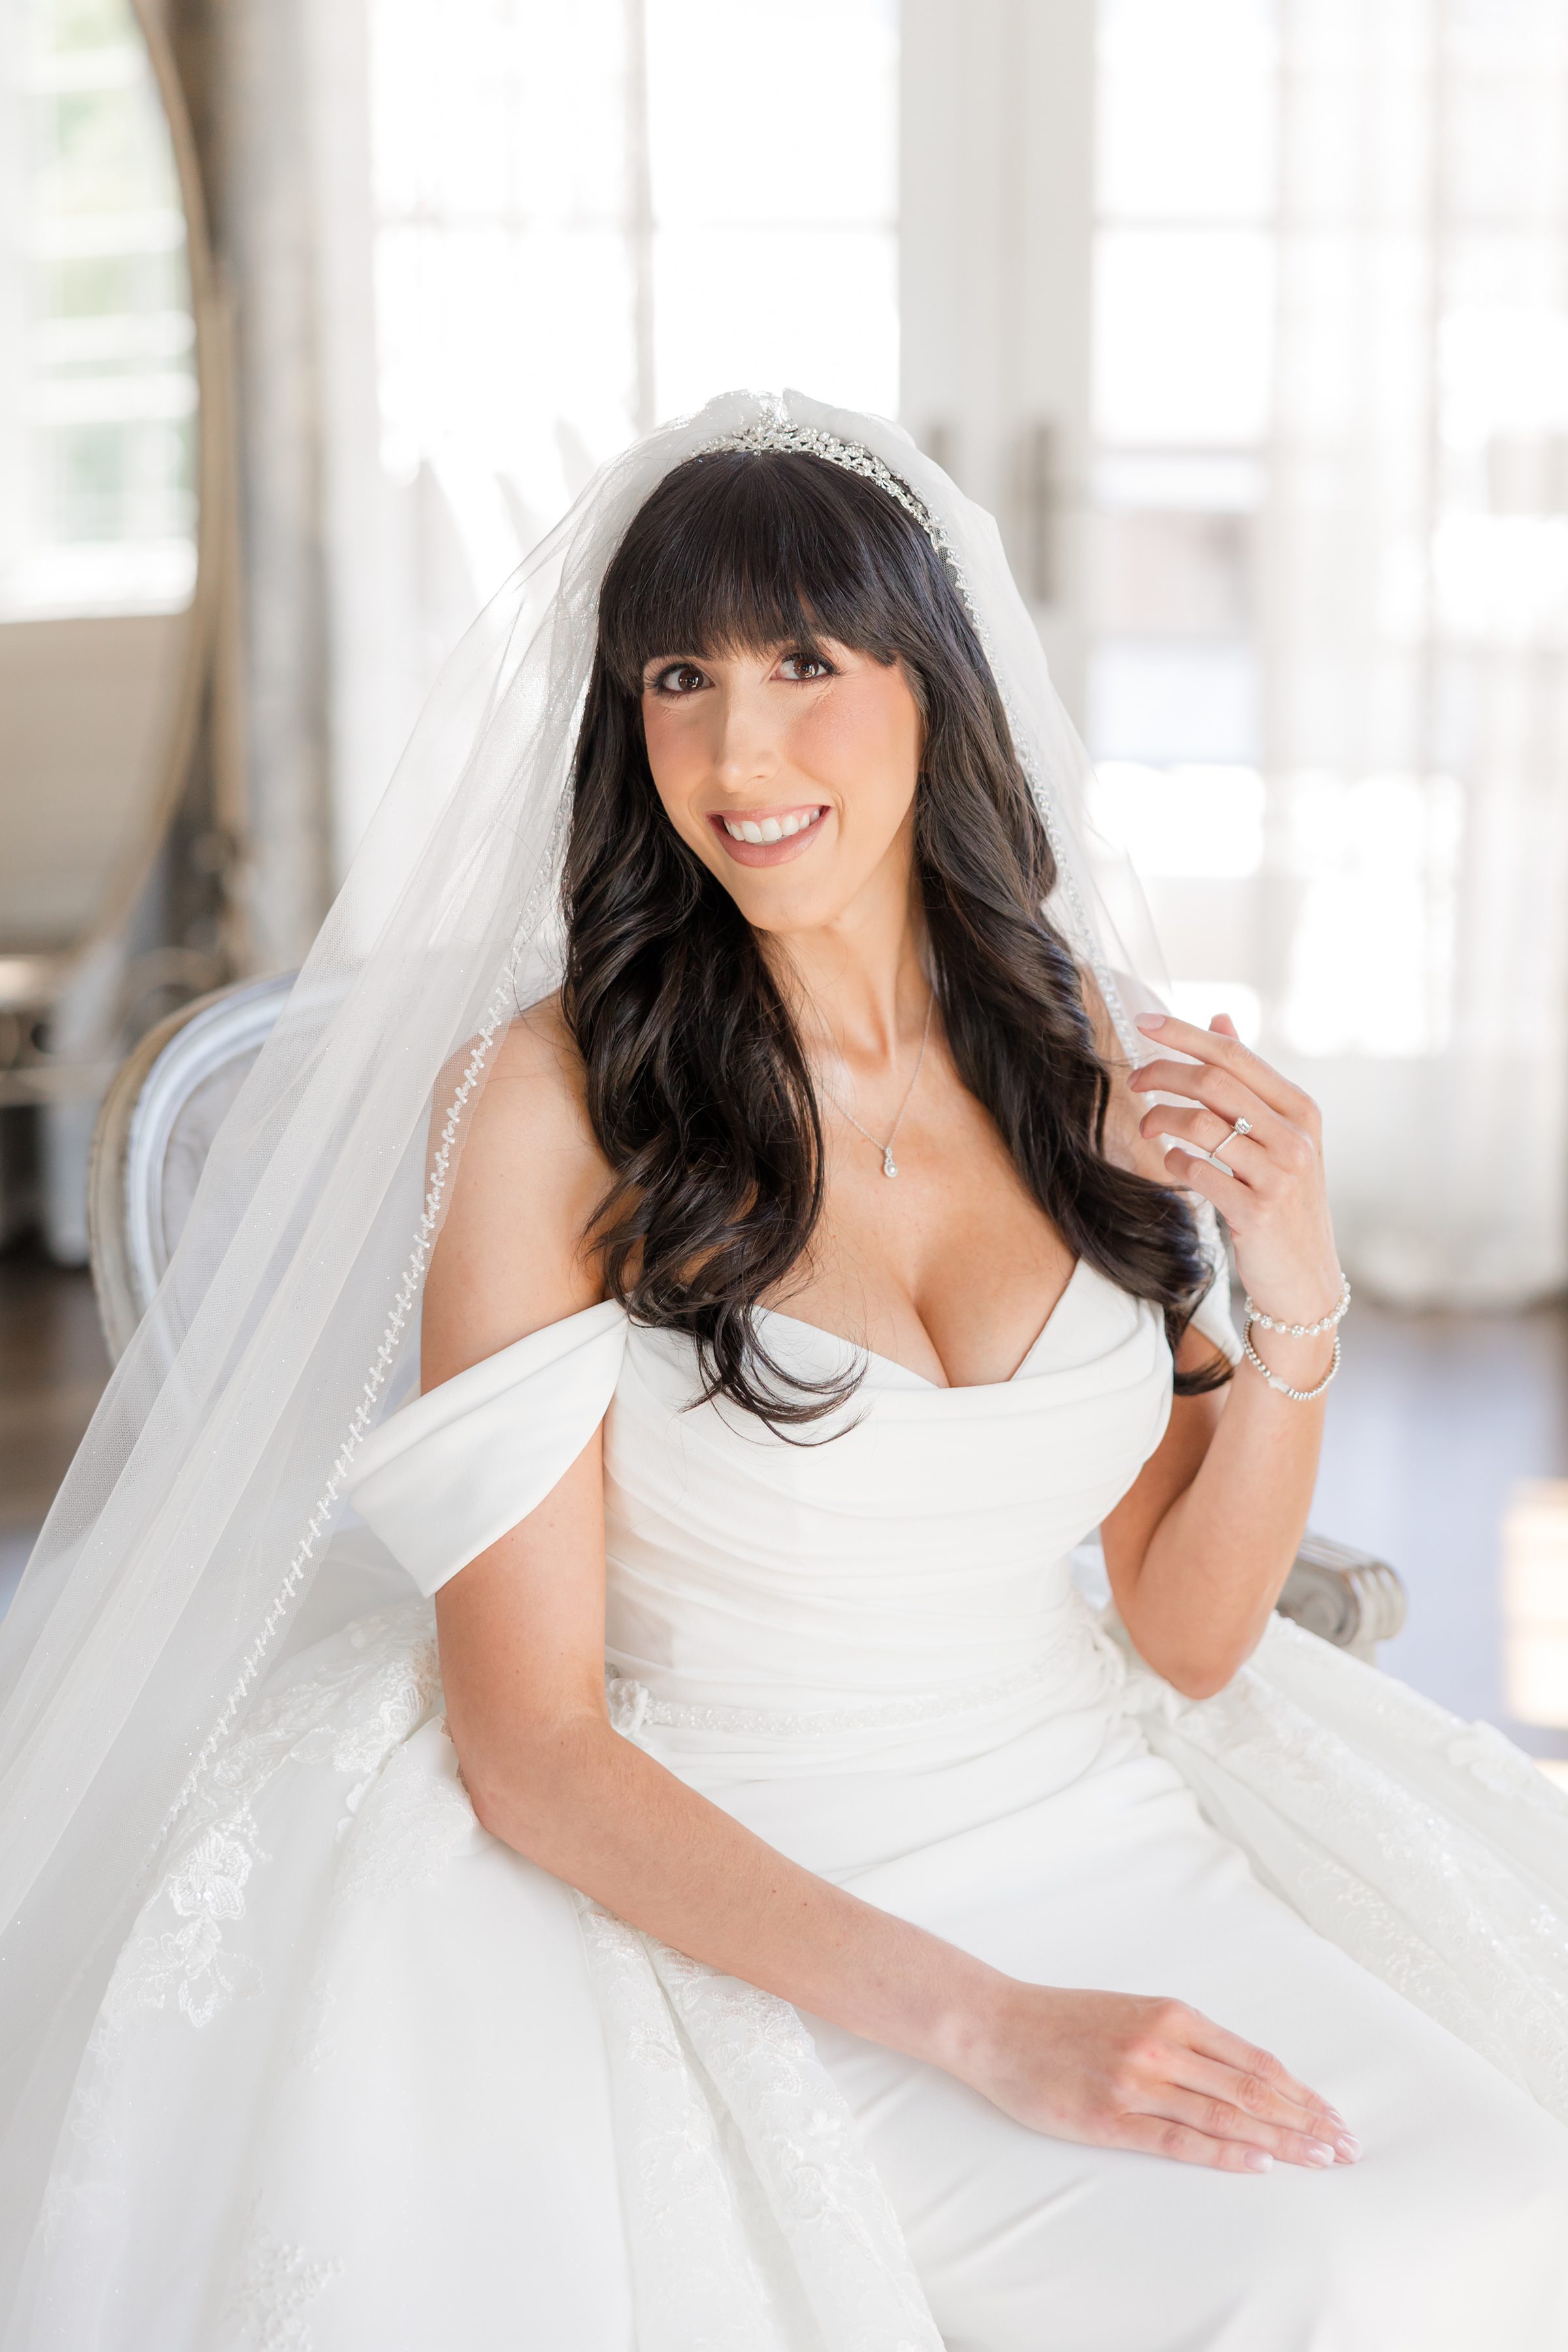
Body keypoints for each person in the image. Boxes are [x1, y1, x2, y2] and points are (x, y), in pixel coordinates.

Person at [3, 393, 1567, 2352]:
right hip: (762, 1906)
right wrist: (991, 2027)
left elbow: (1184, 1631)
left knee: (1514, 2194)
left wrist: (1296, 1287)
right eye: (681, 676)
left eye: (806, 665)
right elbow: (535, 1746)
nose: (739, 752)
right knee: (1303, 2273)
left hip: (1106, 1823)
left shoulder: (1073, 1040)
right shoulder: (550, 1113)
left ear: (934, 691)